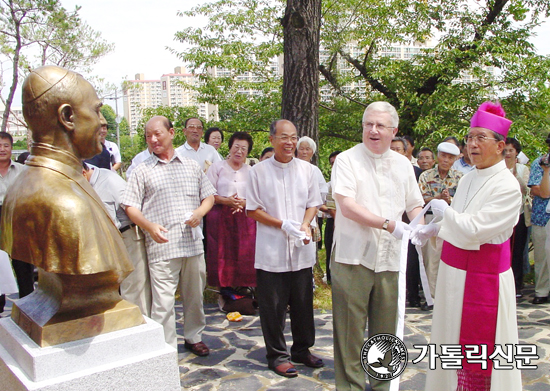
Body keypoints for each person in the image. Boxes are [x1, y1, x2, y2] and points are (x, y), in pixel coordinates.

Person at [1, 66, 141, 346]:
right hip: (72, 307)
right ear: (67, 117)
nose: (102, 121)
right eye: (97, 110)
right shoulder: (65, 205)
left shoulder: (25, 182)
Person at [412, 101, 522, 390]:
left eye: (480, 138)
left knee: (483, 351)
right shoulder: (470, 176)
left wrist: (442, 210)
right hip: (453, 274)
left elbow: (474, 230)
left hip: (483, 278)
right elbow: (459, 220)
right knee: (449, 336)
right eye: (469, 138)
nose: (472, 144)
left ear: (500, 146)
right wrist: (432, 228)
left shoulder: (507, 186)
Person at [331, 101, 424, 391]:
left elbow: (415, 205)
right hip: (352, 256)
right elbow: (346, 206)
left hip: (390, 258)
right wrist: (387, 224)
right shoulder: (347, 159)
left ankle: (383, 385)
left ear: (393, 131)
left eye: (380, 125)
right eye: (368, 124)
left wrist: (424, 224)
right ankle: (351, 386)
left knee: (386, 331)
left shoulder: (404, 165)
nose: (373, 130)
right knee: (350, 332)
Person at [122, 115, 216, 354]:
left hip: (192, 243)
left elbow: (209, 196)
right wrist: (148, 226)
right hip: (162, 245)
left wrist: (199, 212)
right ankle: (165, 347)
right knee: (163, 303)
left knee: (194, 296)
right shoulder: (141, 170)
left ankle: (194, 336)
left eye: (157, 134)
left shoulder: (191, 166)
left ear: (172, 133)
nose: (153, 139)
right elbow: (130, 206)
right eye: (148, 136)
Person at [246, 119, 323, 378]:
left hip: (301, 248)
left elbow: (314, 202)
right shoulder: (258, 171)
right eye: (283, 137)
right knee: (273, 306)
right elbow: (252, 210)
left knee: (303, 303)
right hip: (272, 250)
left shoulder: (308, 170)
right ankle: (277, 355)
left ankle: (302, 349)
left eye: (293, 137)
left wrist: (303, 224)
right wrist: (283, 225)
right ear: (272, 140)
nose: (289, 142)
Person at [82, 162, 151, 316]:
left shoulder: (108, 181)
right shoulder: (90, 183)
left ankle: (139, 328)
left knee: (133, 288)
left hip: (127, 236)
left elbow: (129, 210)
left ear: (82, 172)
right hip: (111, 241)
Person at [206, 132, 256, 290]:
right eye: (236, 147)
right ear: (230, 147)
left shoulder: (251, 171)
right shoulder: (217, 167)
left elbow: (258, 196)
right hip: (220, 215)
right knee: (221, 253)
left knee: (245, 253)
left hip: (245, 217)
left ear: (248, 152)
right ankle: (223, 293)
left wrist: (244, 202)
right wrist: (225, 200)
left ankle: (245, 292)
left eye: (244, 148)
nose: (239, 151)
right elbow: (206, 193)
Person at [418, 141, 462, 308]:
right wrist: (437, 199)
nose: (446, 160)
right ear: (437, 157)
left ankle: (449, 296)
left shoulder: (460, 177)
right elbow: (420, 199)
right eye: (443, 156)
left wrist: (449, 200)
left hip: (451, 220)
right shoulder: (426, 176)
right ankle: (431, 298)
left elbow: (462, 201)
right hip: (431, 219)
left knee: (450, 258)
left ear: (454, 160)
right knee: (431, 259)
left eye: (450, 158)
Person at [0, 131, 27, 313]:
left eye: (6, 146)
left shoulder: (22, 170)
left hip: (17, 216)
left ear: (12, 148)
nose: (2, 149)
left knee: (23, 261)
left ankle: (27, 303)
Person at [504, 137, 530, 298]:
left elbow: (526, 189)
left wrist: (514, 175)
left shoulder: (522, 169)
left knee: (517, 250)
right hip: (502, 215)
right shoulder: (496, 167)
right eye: (505, 150)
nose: (507, 153)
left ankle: (516, 284)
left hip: (519, 213)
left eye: (511, 150)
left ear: (516, 152)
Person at [528, 133, 550, 304]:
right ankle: (542, 291)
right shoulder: (539, 163)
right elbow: (541, 192)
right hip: (542, 215)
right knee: (541, 255)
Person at [324, 151, 341, 284]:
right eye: (332, 164)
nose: (334, 166)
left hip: (353, 223)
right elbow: (330, 206)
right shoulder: (331, 184)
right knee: (331, 250)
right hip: (334, 221)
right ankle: (331, 278)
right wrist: (338, 220)